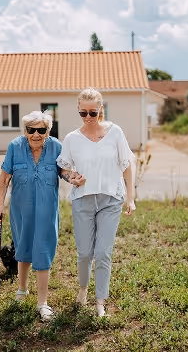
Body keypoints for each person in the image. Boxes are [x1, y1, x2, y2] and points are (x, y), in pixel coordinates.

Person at [56, 88, 136, 317]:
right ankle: (83, 288)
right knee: (84, 253)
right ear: (78, 111)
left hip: (111, 199)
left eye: (93, 112)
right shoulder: (72, 139)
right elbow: (63, 167)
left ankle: (100, 300)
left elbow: (126, 164)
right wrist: (72, 178)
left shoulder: (115, 132)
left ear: (101, 109)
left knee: (103, 252)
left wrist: (130, 198)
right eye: (84, 113)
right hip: (83, 200)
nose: (89, 118)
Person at [0, 110, 62, 321]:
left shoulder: (56, 147)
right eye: (30, 130)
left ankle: (42, 302)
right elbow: (4, 178)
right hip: (21, 210)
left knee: (42, 250)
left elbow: (64, 171)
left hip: (47, 211)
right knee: (22, 247)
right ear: (25, 130)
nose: (35, 134)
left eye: (41, 130)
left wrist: (75, 177)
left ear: (48, 131)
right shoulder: (15, 147)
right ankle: (22, 290)